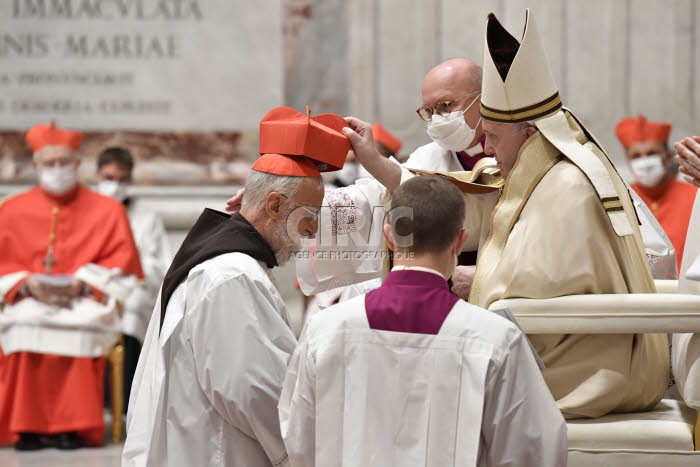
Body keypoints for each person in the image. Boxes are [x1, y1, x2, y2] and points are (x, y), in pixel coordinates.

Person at [463, 10, 668, 419]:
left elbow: (533, 294)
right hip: (583, 346)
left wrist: (474, 285)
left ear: (531, 134)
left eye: (494, 137)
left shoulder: (567, 186)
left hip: (594, 368)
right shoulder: (553, 170)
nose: (486, 149)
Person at [279, 176, 567, 467]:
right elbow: (535, 449)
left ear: (389, 237)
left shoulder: (325, 329)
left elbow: (298, 437)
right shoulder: (496, 339)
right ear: (460, 241)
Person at [122, 106, 350, 467]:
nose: (310, 233)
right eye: (308, 217)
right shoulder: (232, 274)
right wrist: (308, 451)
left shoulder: (226, 257)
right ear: (274, 205)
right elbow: (252, 389)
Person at [0, 122, 144, 450]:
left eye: (64, 162)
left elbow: (122, 263)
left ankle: (73, 428)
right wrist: (26, 283)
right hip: (28, 298)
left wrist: (83, 283)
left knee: (80, 325)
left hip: (83, 299)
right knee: (21, 324)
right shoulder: (11, 209)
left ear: (78, 164)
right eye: (49, 163)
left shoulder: (107, 210)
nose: (57, 170)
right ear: (35, 166)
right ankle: (27, 428)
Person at [95, 147, 172, 410]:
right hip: (90, 285)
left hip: (131, 285)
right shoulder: (85, 211)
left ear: (130, 180)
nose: (114, 185)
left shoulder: (146, 217)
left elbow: (160, 263)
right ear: (97, 175)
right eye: (108, 178)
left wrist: (129, 268)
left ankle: (125, 400)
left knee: (132, 308)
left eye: (121, 179)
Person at [616, 115, 697, 269]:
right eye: (636, 156)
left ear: (667, 157)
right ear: (628, 161)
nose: (644, 162)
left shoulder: (694, 196)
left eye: (651, 153)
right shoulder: (620, 198)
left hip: (688, 290)